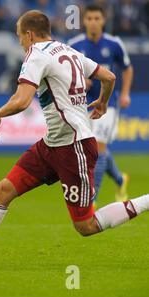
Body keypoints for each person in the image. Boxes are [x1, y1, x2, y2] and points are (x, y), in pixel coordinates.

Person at [0, 10, 149, 268]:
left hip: (75, 147)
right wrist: (104, 102)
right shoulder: (68, 50)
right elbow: (109, 77)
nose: (20, 42)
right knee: (3, 190)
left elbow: (21, 100)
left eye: (19, 36)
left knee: (86, 225)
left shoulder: (35, 55)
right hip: (52, 144)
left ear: (29, 35)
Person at [68, 4, 133, 205]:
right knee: (93, 148)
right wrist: (80, 81)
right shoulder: (74, 44)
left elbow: (127, 68)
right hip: (83, 105)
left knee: (99, 148)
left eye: (97, 18)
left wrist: (125, 94)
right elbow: (66, 72)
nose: (93, 22)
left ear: (103, 21)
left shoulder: (114, 44)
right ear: (84, 21)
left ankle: (91, 199)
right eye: (90, 18)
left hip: (108, 104)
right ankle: (121, 179)